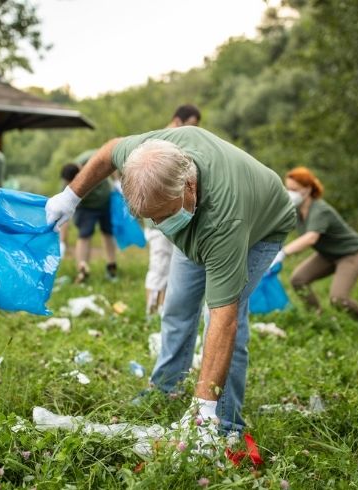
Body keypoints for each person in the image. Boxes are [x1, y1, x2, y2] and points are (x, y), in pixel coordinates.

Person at [45, 126, 295, 447]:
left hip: (262, 226)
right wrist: (70, 196)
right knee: (177, 306)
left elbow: (224, 319)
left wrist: (203, 411)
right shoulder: (149, 155)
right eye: (152, 219)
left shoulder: (224, 224)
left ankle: (224, 421)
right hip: (198, 215)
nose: (160, 226)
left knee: (225, 317)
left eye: (164, 215)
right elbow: (109, 150)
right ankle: (166, 389)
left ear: (189, 186)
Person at [270, 166, 358, 320]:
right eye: (288, 188)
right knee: (298, 280)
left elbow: (310, 238)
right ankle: (316, 316)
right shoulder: (295, 209)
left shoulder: (320, 210)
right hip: (327, 254)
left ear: (307, 189)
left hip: (349, 254)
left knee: (338, 299)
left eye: (294, 189)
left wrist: (283, 252)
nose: (290, 192)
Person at [145, 104, 202, 316]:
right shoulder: (160, 143)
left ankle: (162, 309)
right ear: (178, 121)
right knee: (159, 264)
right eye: (191, 125)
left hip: (174, 215)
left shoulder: (176, 141)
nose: (193, 131)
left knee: (170, 266)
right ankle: (150, 313)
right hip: (159, 218)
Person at [59, 151, 118, 283]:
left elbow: (111, 158)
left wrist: (116, 181)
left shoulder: (90, 157)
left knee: (108, 233)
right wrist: (62, 242)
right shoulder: (66, 184)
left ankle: (111, 268)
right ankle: (82, 272)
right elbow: (63, 214)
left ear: (80, 171)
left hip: (105, 201)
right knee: (84, 236)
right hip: (86, 208)